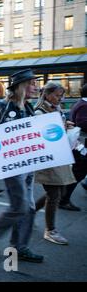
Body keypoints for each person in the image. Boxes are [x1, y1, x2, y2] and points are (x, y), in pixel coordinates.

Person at [0, 69, 44, 263]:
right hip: (10, 165)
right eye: (33, 84)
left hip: (28, 163)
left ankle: (20, 247)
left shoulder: (29, 108)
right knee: (20, 206)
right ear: (21, 86)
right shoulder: (1, 107)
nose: (36, 87)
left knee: (30, 207)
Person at [34, 82, 75, 244]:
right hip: (48, 157)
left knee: (60, 189)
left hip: (59, 155)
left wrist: (65, 126)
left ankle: (30, 212)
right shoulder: (40, 111)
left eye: (61, 95)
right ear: (47, 94)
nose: (60, 99)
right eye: (58, 95)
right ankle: (50, 230)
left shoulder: (54, 109)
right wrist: (62, 127)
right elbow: (42, 134)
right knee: (54, 194)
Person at [59, 83, 87, 211]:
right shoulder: (83, 105)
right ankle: (63, 199)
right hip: (81, 144)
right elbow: (82, 123)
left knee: (79, 171)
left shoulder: (81, 103)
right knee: (79, 171)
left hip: (80, 143)